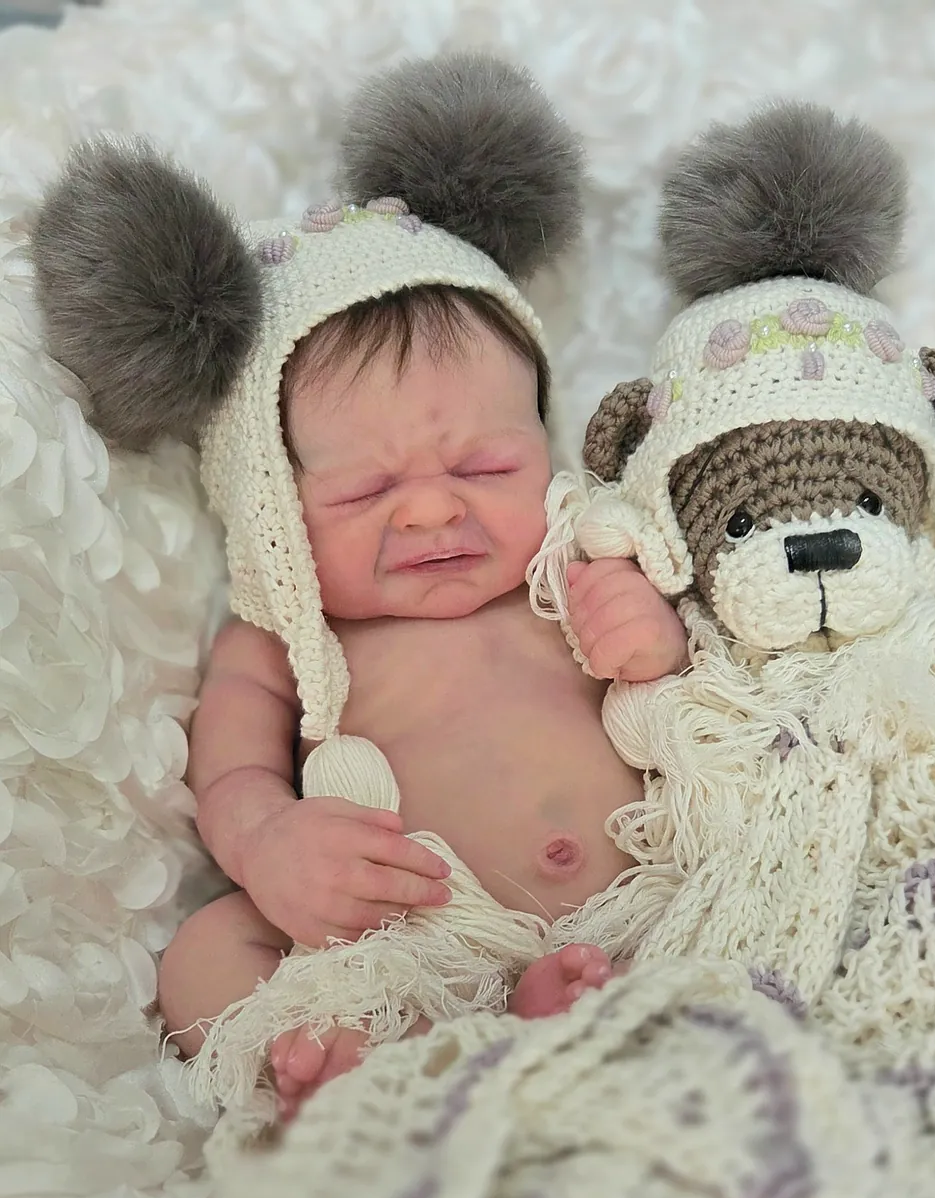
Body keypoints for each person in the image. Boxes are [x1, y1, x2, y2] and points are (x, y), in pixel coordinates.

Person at [29, 53, 687, 1120]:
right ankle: (385, 1059)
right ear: (269, 498)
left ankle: (548, 1022)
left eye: (485, 468)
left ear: (544, 445)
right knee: (203, 957)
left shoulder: (569, 564)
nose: (429, 513)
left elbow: (703, 701)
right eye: (367, 490)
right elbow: (234, 771)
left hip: (646, 904)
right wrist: (268, 842)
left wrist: (654, 641)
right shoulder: (282, 634)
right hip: (415, 942)